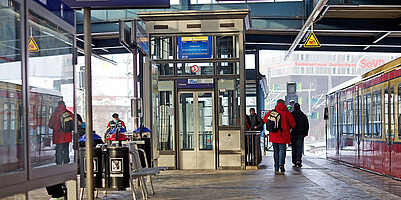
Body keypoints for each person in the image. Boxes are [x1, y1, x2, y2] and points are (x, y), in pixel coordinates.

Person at [263, 99, 296, 172]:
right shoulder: (287, 113)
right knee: (282, 150)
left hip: (274, 135)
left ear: (277, 104)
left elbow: (265, 120)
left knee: (276, 151)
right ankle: (281, 164)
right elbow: (293, 124)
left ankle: (276, 166)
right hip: (283, 135)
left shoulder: (272, 112)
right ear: (284, 104)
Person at [49, 100, 73, 165]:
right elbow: (73, 123)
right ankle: (66, 161)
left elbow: (50, 125)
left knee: (59, 149)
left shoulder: (54, 114)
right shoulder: (69, 113)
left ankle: (59, 162)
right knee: (66, 149)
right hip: (67, 135)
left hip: (58, 135)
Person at [291, 103, 309, 168]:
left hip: (293, 134)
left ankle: (294, 160)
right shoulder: (303, 115)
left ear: (294, 108)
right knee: (299, 147)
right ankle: (298, 160)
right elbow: (306, 125)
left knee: (294, 147)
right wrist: (305, 133)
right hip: (301, 134)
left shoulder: (291, 115)